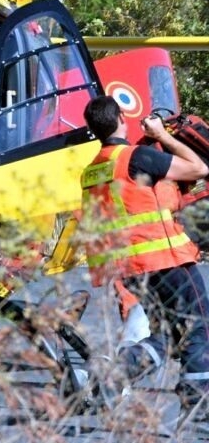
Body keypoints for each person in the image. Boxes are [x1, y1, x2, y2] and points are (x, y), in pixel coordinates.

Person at [80, 96, 209, 413]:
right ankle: (199, 410)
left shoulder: (92, 170)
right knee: (199, 329)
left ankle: (117, 371)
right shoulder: (136, 157)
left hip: (132, 271)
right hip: (166, 260)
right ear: (122, 117)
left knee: (166, 336)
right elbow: (199, 168)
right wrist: (162, 135)